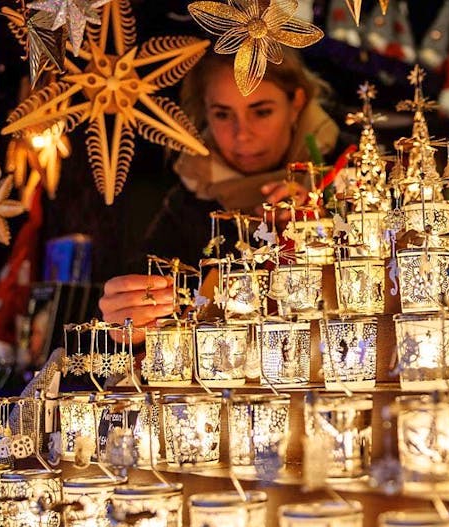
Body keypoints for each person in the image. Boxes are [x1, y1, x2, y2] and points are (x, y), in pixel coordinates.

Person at [99, 47, 348, 343]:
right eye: (222, 114)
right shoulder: (188, 196)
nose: (242, 134)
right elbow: (145, 296)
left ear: (296, 102)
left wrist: (321, 223)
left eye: (261, 111)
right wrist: (129, 319)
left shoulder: (352, 171)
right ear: (204, 112)